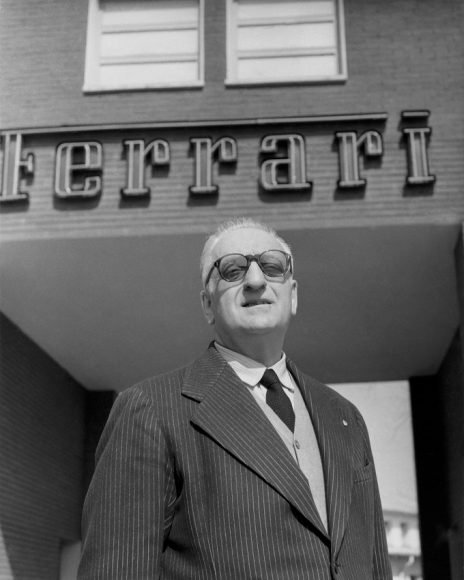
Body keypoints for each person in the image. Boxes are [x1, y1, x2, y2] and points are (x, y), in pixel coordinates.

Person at [78, 217, 392, 579]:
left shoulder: (345, 417)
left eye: (272, 267)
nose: (256, 281)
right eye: (232, 270)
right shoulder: (150, 410)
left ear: (292, 295)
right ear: (207, 305)